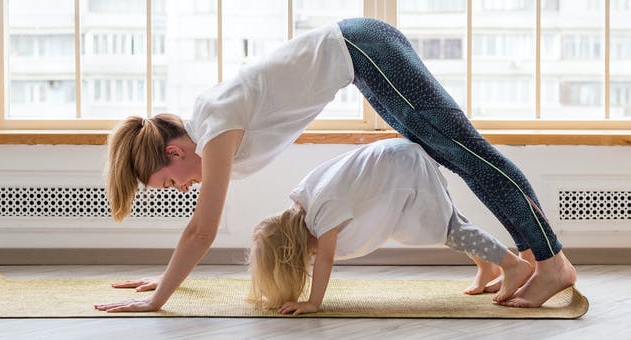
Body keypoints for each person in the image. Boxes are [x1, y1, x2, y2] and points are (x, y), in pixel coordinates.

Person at [94, 17, 575, 313]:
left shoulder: (215, 129)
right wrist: (168, 275)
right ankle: (529, 258)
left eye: (167, 182)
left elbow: (202, 229)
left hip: (365, 49)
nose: (181, 188)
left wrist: (157, 300)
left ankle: (551, 262)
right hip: (362, 57)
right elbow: (199, 229)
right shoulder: (212, 125)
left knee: (468, 154)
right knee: (460, 156)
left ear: (174, 153)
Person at [248, 138, 533, 314]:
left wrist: (313, 303)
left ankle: (512, 265)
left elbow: (325, 258)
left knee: (448, 228)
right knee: (450, 221)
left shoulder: (321, 214)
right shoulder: (303, 201)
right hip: (395, 160)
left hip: (402, 167)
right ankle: (487, 266)